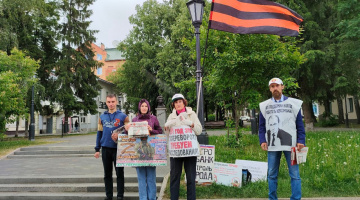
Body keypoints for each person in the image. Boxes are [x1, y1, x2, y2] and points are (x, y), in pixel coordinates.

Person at [258, 78, 306, 200]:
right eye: (272, 86)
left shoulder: (293, 104)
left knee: (295, 174)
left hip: (292, 145)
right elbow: (261, 126)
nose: (275, 88)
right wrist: (262, 140)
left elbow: (299, 124)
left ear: (282, 87)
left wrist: (301, 140)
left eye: (277, 85)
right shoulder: (264, 106)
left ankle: (296, 198)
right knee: (272, 174)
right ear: (270, 89)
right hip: (272, 145)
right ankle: (272, 198)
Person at [164, 93, 202, 200]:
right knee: (175, 178)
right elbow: (168, 135)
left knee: (190, 178)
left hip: (190, 151)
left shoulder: (192, 114)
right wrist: (167, 128)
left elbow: (199, 131)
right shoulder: (171, 116)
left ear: (184, 102)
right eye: (176, 102)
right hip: (176, 152)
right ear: (173, 105)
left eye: (180, 101)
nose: (178, 104)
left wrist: (191, 124)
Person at [125, 99, 162, 200]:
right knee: (141, 179)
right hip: (139, 153)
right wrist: (126, 128)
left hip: (150, 153)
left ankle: (152, 198)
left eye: (146, 106)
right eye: (142, 106)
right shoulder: (135, 120)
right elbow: (128, 135)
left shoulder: (154, 118)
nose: (144, 108)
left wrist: (152, 130)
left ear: (148, 107)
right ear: (139, 107)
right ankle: (143, 198)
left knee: (151, 179)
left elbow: (160, 131)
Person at [94, 94, 129, 200]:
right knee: (107, 174)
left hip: (119, 149)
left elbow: (129, 132)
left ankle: (120, 196)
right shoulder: (102, 117)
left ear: (116, 102)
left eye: (113, 102)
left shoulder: (123, 116)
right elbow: (99, 133)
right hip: (105, 148)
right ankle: (109, 196)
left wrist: (120, 135)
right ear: (106, 103)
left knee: (120, 174)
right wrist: (97, 149)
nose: (111, 104)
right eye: (109, 102)